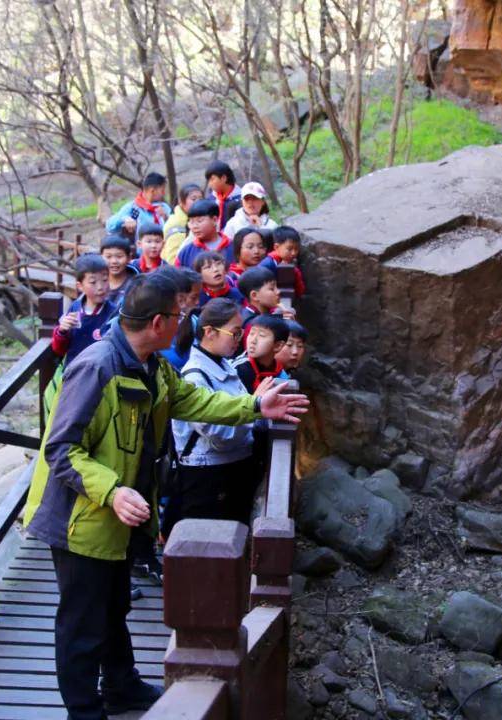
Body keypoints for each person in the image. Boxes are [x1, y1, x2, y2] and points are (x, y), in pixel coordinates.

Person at [23, 273, 309, 720]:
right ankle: (84, 711)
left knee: (115, 605)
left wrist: (255, 406)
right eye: (181, 315)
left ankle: (121, 686)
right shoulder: (98, 366)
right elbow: (61, 448)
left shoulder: (153, 366)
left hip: (121, 513)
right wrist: (113, 491)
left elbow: (194, 401)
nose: (186, 322)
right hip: (81, 517)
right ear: (159, 322)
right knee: (82, 624)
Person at [163, 298, 263, 530]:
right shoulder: (196, 376)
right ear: (209, 332)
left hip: (231, 467)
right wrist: (255, 415)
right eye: (235, 334)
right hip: (207, 473)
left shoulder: (223, 364)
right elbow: (219, 434)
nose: (239, 341)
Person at [51, 254, 116, 368]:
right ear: (80, 286)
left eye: (105, 280)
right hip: (73, 371)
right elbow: (59, 350)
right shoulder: (75, 308)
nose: (101, 287)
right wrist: (62, 331)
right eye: (93, 282)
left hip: (101, 373)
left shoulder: (114, 313)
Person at [156, 266, 203, 371]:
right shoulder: (156, 324)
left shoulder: (194, 322)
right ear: (179, 297)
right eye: (193, 297)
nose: (197, 302)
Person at [106, 173, 171, 245]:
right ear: (152, 191)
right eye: (162, 190)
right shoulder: (133, 208)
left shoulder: (164, 207)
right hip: (141, 253)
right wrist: (124, 219)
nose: (164, 193)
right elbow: (110, 226)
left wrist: (166, 218)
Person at [233, 314, 288, 393]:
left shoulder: (279, 371)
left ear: (278, 346)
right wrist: (256, 399)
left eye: (261, 335)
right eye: (252, 333)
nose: (253, 341)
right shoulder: (238, 368)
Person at [174, 199, 233, 269]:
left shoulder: (232, 247)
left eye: (199, 221)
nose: (194, 226)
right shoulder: (186, 252)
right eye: (191, 222)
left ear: (214, 220)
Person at [161, 183, 205, 265]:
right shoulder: (176, 225)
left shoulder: (192, 219)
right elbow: (172, 260)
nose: (198, 202)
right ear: (181, 202)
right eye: (194, 199)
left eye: (201, 199)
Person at [260, 225, 306, 298]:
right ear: (276, 247)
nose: (294, 253)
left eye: (296, 249)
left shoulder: (290, 261)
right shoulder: (268, 264)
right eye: (289, 249)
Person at [101, 235, 138, 309]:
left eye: (119, 256)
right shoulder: (95, 281)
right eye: (108, 257)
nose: (114, 261)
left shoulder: (137, 284)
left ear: (129, 258)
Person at [204, 160, 242, 231]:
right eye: (208, 181)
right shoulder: (211, 199)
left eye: (212, 179)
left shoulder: (241, 199)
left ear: (223, 178)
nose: (209, 184)